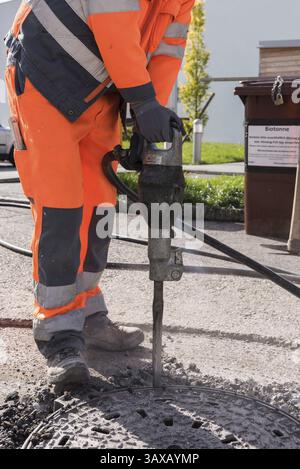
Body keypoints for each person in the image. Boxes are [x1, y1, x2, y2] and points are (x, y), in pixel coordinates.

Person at [5, 0, 194, 386]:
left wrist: (148, 115)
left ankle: (88, 314)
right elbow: (113, 26)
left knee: (100, 204)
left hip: (102, 90)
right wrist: (141, 102)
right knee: (61, 203)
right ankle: (58, 332)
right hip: (46, 75)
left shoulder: (184, 2)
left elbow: (165, 54)